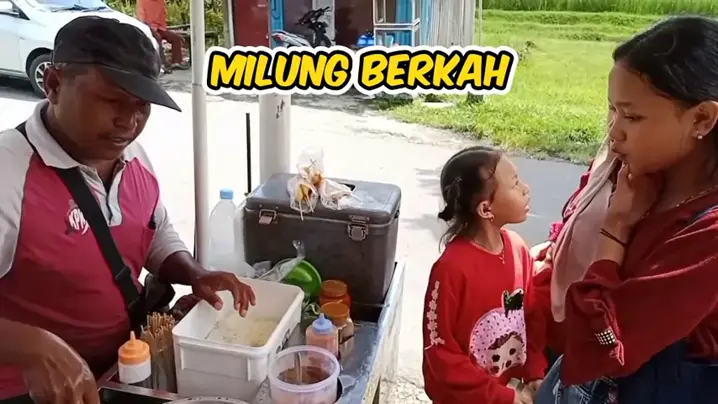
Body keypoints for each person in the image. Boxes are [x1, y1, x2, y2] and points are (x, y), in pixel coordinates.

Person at [0, 17, 255, 403]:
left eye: (141, 107)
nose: (129, 122)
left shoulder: (132, 155)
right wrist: (31, 346)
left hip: (121, 366)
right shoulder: (9, 172)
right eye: (112, 101)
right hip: (31, 391)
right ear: (53, 84)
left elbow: (155, 231)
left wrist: (194, 272)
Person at [535, 15, 718, 403]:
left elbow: (601, 345)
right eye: (612, 110)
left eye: (632, 117)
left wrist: (615, 230)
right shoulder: (636, 170)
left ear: (702, 118)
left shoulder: (708, 234)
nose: (614, 131)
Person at [422, 146, 546, 404]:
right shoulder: (451, 269)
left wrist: (534, 369)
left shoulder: (518, 248)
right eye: (515, 183)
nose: (526, 189)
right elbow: (440, 353)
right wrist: (500, 396)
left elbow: (531, 317)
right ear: (486, 209)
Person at [136, 0, 187, 71]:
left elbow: (162, 15)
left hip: (160, 28)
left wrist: (162, 28)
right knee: (157, 37)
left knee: (176, 38)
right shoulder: (142, 1)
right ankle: (161, 64)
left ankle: (176, 62)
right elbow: (141, 18)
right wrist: (147, 29)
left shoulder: (161, 1)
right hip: (148, 28)